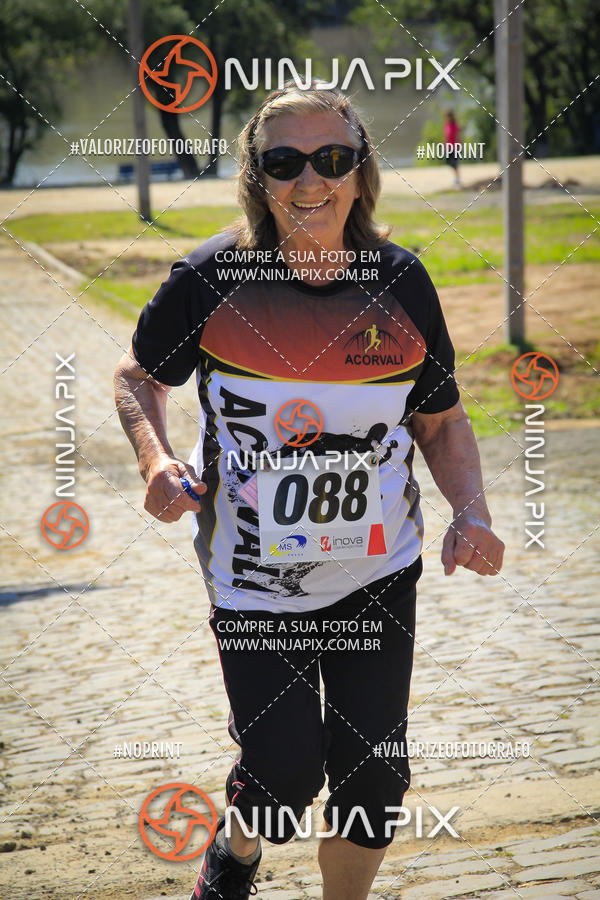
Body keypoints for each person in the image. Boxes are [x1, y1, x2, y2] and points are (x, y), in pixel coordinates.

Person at [114, 82, 504, 900]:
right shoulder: (212, 277)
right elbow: (138, 375)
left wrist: (471, 512)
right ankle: (236, 851)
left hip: (378, 572)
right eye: (284, 163)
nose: (309, 181)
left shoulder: (401, 282)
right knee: (284, 776)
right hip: (255, 583)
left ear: (361, 173)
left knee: (373, 781)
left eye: (332, 159)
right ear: (257, 179)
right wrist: (155, 461)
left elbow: (440, 424)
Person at [444, 110, 461, 188]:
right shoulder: (447, 125)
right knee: (449, 162)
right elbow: (446, 136)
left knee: (454, 164)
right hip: (448, 147)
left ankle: (457, 179)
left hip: (455, 148)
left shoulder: (455, 125)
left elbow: (458, 136)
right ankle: (456, 177)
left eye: (448, 116)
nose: (447, 118)